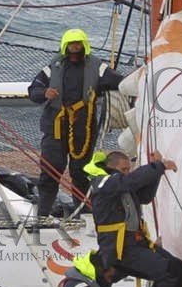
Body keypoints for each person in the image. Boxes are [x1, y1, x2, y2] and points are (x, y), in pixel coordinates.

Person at [85, 149, 182, 287]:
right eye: (124, 169)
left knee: (181, 269)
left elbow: (145, 196)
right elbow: (129, 181)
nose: (127, 172)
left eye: (129, 169)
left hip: (137, 244)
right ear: (111, 167)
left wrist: (156, 172)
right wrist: (158, 166)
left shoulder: (120, 184)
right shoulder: (103, 182)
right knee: (170, 270)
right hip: (120, 250)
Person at [27, 28, 124, 218]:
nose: (75, 47)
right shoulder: (53, 66)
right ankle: (43, 215)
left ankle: (84, 215)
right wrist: (44, 93)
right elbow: (33, 90)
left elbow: (119, 81)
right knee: (50, 171)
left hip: (83, 127)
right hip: (55, 126)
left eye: (78, 43)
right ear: (65, 46)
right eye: (71, 44)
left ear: (84, 45)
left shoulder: (97, 66)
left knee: (81, 173)